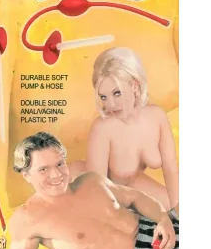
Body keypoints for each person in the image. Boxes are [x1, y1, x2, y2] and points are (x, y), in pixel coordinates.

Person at [8, 132, 179, 249]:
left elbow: (135, 197)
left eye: (59, 164)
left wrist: (163, 219)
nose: (56, 174)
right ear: (26, 175)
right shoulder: (27, 218)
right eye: (43, 169)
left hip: (160, 229)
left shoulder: (91, 181)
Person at [70, 47, 179, 213]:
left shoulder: (157, 116)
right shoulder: (102, 128)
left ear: (134, 85)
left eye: (117, 93)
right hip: (83, 185)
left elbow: (171, 170)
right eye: (103, 97)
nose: (110, 105)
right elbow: (97, 190)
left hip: (130, 185)